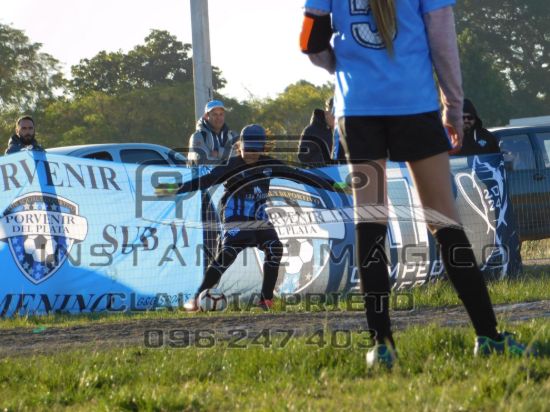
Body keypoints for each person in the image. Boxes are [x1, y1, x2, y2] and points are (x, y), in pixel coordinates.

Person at [300, 0, 531, 367]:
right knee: (445, 223)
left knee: (370, 224)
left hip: (358, 108)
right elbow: (443, 42)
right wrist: (453, 105)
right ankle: (488, 336)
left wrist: (342, 65)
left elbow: (310, 42)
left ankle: (382, 346)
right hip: (415, 106)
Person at [160, 124, 344, 311]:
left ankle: (266, 301)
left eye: (255, 150)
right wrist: (175, 188)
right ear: (240, 146)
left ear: (263, 148)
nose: (250, 154)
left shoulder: (270, 165)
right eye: (247, 149)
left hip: (259, 217)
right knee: (228, 253)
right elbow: (206, 180)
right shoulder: (231, 165)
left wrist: (335, 186)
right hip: (235, 216)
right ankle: (196, 299)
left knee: (275, 248)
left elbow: (300, 175)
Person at [187, 100, 238, 166]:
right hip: (202, 173)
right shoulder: (198, 136)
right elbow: (202, 161)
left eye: (221, 114)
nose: (218, 118)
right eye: (214, 114)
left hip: (228, 173)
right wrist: (229, 162)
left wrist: (219, 153)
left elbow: (239, 157)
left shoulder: (232, 135)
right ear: (206, 116)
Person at [298, 97, 335, 165]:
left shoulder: (343, 131)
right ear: (327, 112)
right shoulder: (312, 131)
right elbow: (303, 157)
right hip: (319, 170)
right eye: (334, 113)